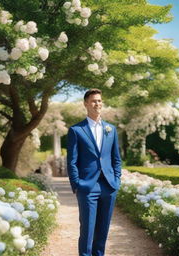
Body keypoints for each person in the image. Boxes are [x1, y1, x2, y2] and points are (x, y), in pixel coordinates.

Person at [67, 88, 122, 256]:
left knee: (103, 231)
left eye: (99, 100)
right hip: (87, 187)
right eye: (93, 101)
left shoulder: (111, 129)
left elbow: (116, 159)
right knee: (87, 231)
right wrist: (77, 184)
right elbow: (71, 161)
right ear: (86, 104)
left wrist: (116, 181)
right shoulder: (76, 130)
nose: (97, 103)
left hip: (108, 186)